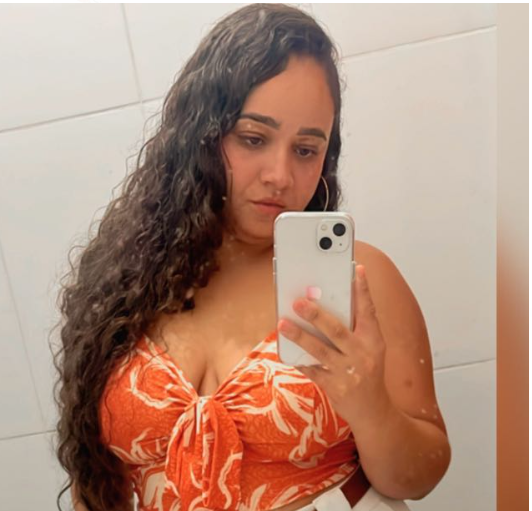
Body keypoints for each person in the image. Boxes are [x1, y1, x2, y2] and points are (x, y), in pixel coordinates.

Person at [52, 4, 451, 511]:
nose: (279, 175)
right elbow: (94, 475)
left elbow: (420, 477)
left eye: (306, 149)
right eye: (253, 138)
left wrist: (370, 405)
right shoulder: (126, 280)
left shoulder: (361, 280)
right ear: (199, 136)